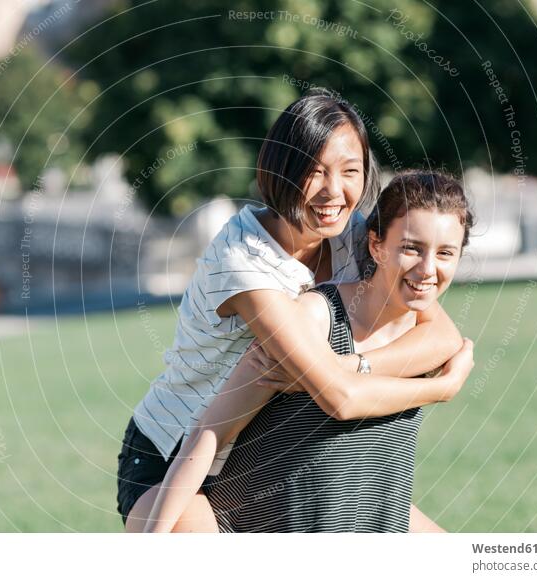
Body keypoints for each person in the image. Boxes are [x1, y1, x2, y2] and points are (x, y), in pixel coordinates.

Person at [118, 90, 469, 532]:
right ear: (281, 170)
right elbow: (338, 397)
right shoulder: (244, 263)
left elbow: (439, 335)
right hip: (179, 459)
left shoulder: (356, 235)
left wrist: (349, 364)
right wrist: (441, 387)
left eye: (349, 172)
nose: (334, 191)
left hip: (271, 457)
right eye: (314, 171)